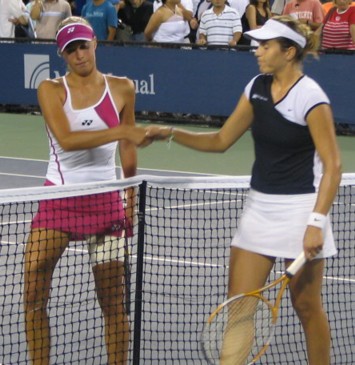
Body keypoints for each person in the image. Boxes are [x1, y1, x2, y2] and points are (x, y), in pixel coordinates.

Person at [145, 15, 342, 365]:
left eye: (266, 46)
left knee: (307, 307)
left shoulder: (311, 97)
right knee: (240, 304)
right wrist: (171, 133)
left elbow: (333, 165)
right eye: (258, 45)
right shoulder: (256, 88)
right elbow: (221, 140)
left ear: (289, 51)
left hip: (301, 210)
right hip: (259, 210)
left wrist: (316, 221)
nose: (258, 51)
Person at [23, 16, 148, 365]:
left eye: (83, 45)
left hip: (107, 204)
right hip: (58, 202)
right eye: (71, 49)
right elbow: (67, 139)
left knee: (113, 301)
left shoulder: (122, 88)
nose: (79, 54)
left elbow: (128, 149)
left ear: (95, 43)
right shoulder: (50, 89)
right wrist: (122, 132)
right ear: (62, 54)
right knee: (33, 291)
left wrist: (130, 198)